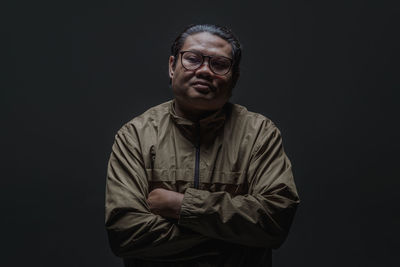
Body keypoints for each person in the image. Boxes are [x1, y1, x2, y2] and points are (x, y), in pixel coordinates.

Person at [105, 24, 300, 267]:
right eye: (193, 59)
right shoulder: (135, 135)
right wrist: (235, 242)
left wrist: (181, 205)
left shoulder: (259, 134)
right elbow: (125, 233)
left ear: (234, 77)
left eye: (219, 64)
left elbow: (274, 220)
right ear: (171, 66)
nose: (205, 70)